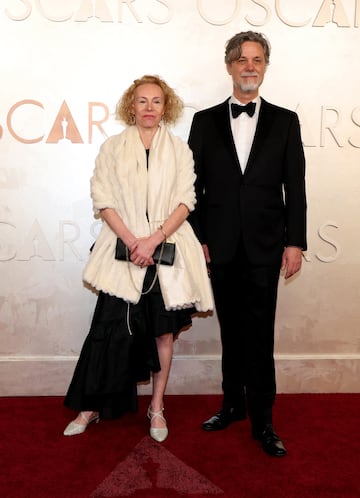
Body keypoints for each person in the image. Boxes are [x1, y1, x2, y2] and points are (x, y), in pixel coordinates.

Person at [63, 74, 213, 442]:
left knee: (163, 333)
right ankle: (92, 406)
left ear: (167, 107)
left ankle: (157, 407)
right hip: (121, 251)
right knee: (109, 330)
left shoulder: (179, 150)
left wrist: (153, 240)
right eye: (142, 101)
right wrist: (133, 241)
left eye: (156, 101)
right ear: (132, 105)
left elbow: (186, 199)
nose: (149, 108)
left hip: (168, 253)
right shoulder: (113, 147)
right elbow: (103, 197)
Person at [188, 31, 307, 457]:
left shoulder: (286, 120)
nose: (249, 66)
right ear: (229, 66)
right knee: (231, 332)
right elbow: (190, 188)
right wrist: (199, 237)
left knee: (259, 335)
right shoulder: (203, 121)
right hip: (218, 246)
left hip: (265, 246)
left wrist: (295, 243)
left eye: (256, 59)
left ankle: (264, 420)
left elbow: (295, 186)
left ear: (265, 66)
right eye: (241, 59)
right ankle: (232, 405)